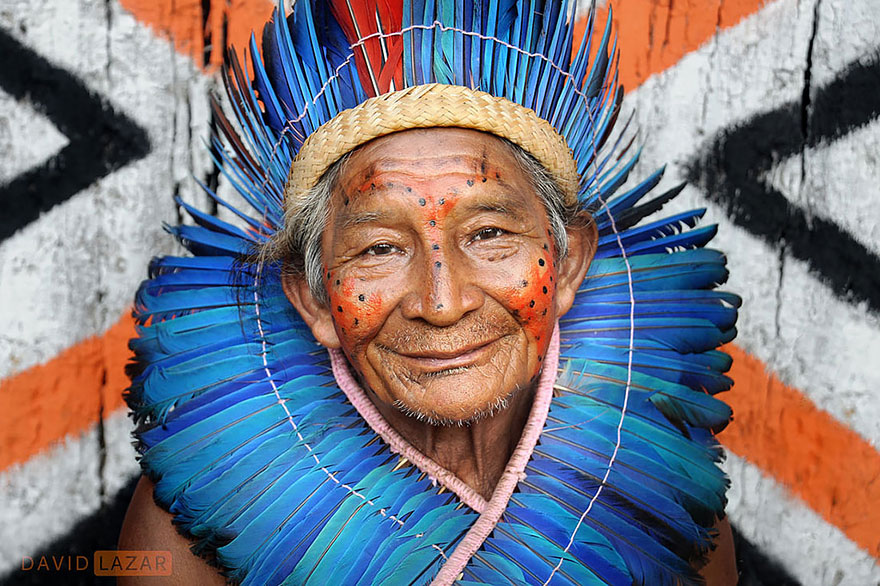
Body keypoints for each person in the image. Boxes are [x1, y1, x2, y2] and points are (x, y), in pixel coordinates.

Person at [120, 1, 739, 584]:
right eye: (380, 248)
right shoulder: (208, 511)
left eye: (490, 234)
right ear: (312, 298)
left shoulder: (658, 499)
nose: (442, 303)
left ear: (570, 262)